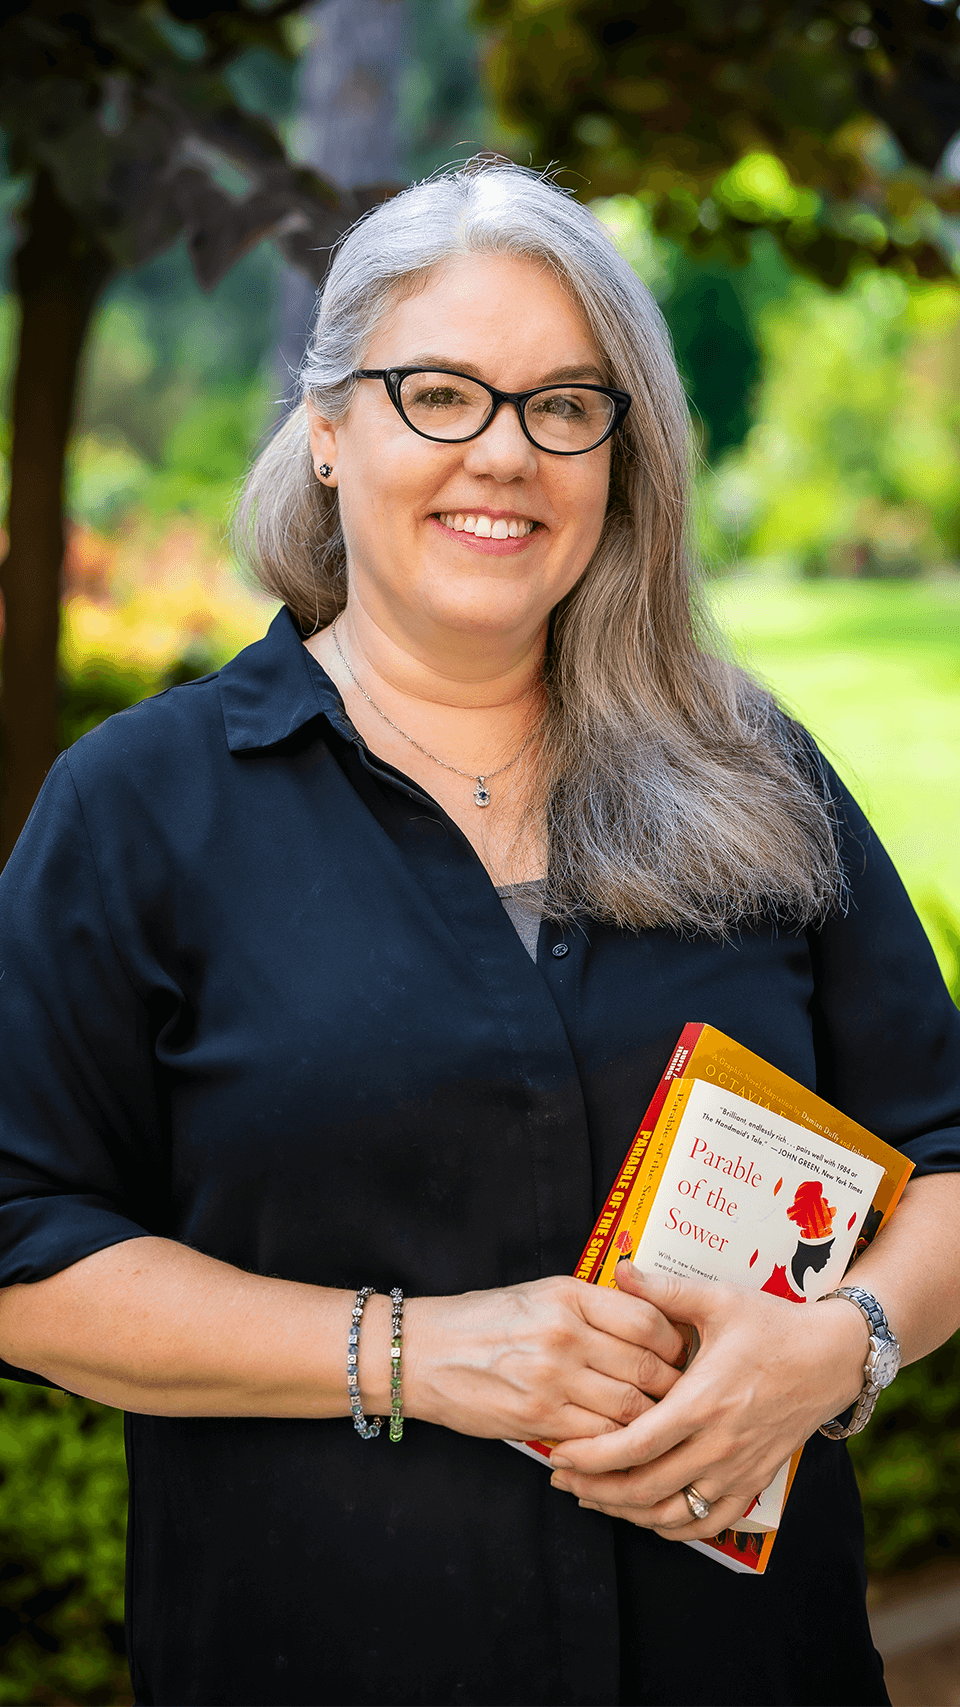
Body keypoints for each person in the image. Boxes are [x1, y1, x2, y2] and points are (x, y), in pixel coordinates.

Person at [0, 161, 959, 1707]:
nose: (503, 455)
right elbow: (23, 1250)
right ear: (326, 431)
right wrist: (411, 1352)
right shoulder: (140, 809)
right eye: (439, 392)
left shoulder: (753, 770)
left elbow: (950, 1152)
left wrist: (839, 1345)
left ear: (617, 455)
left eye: (565, 404)